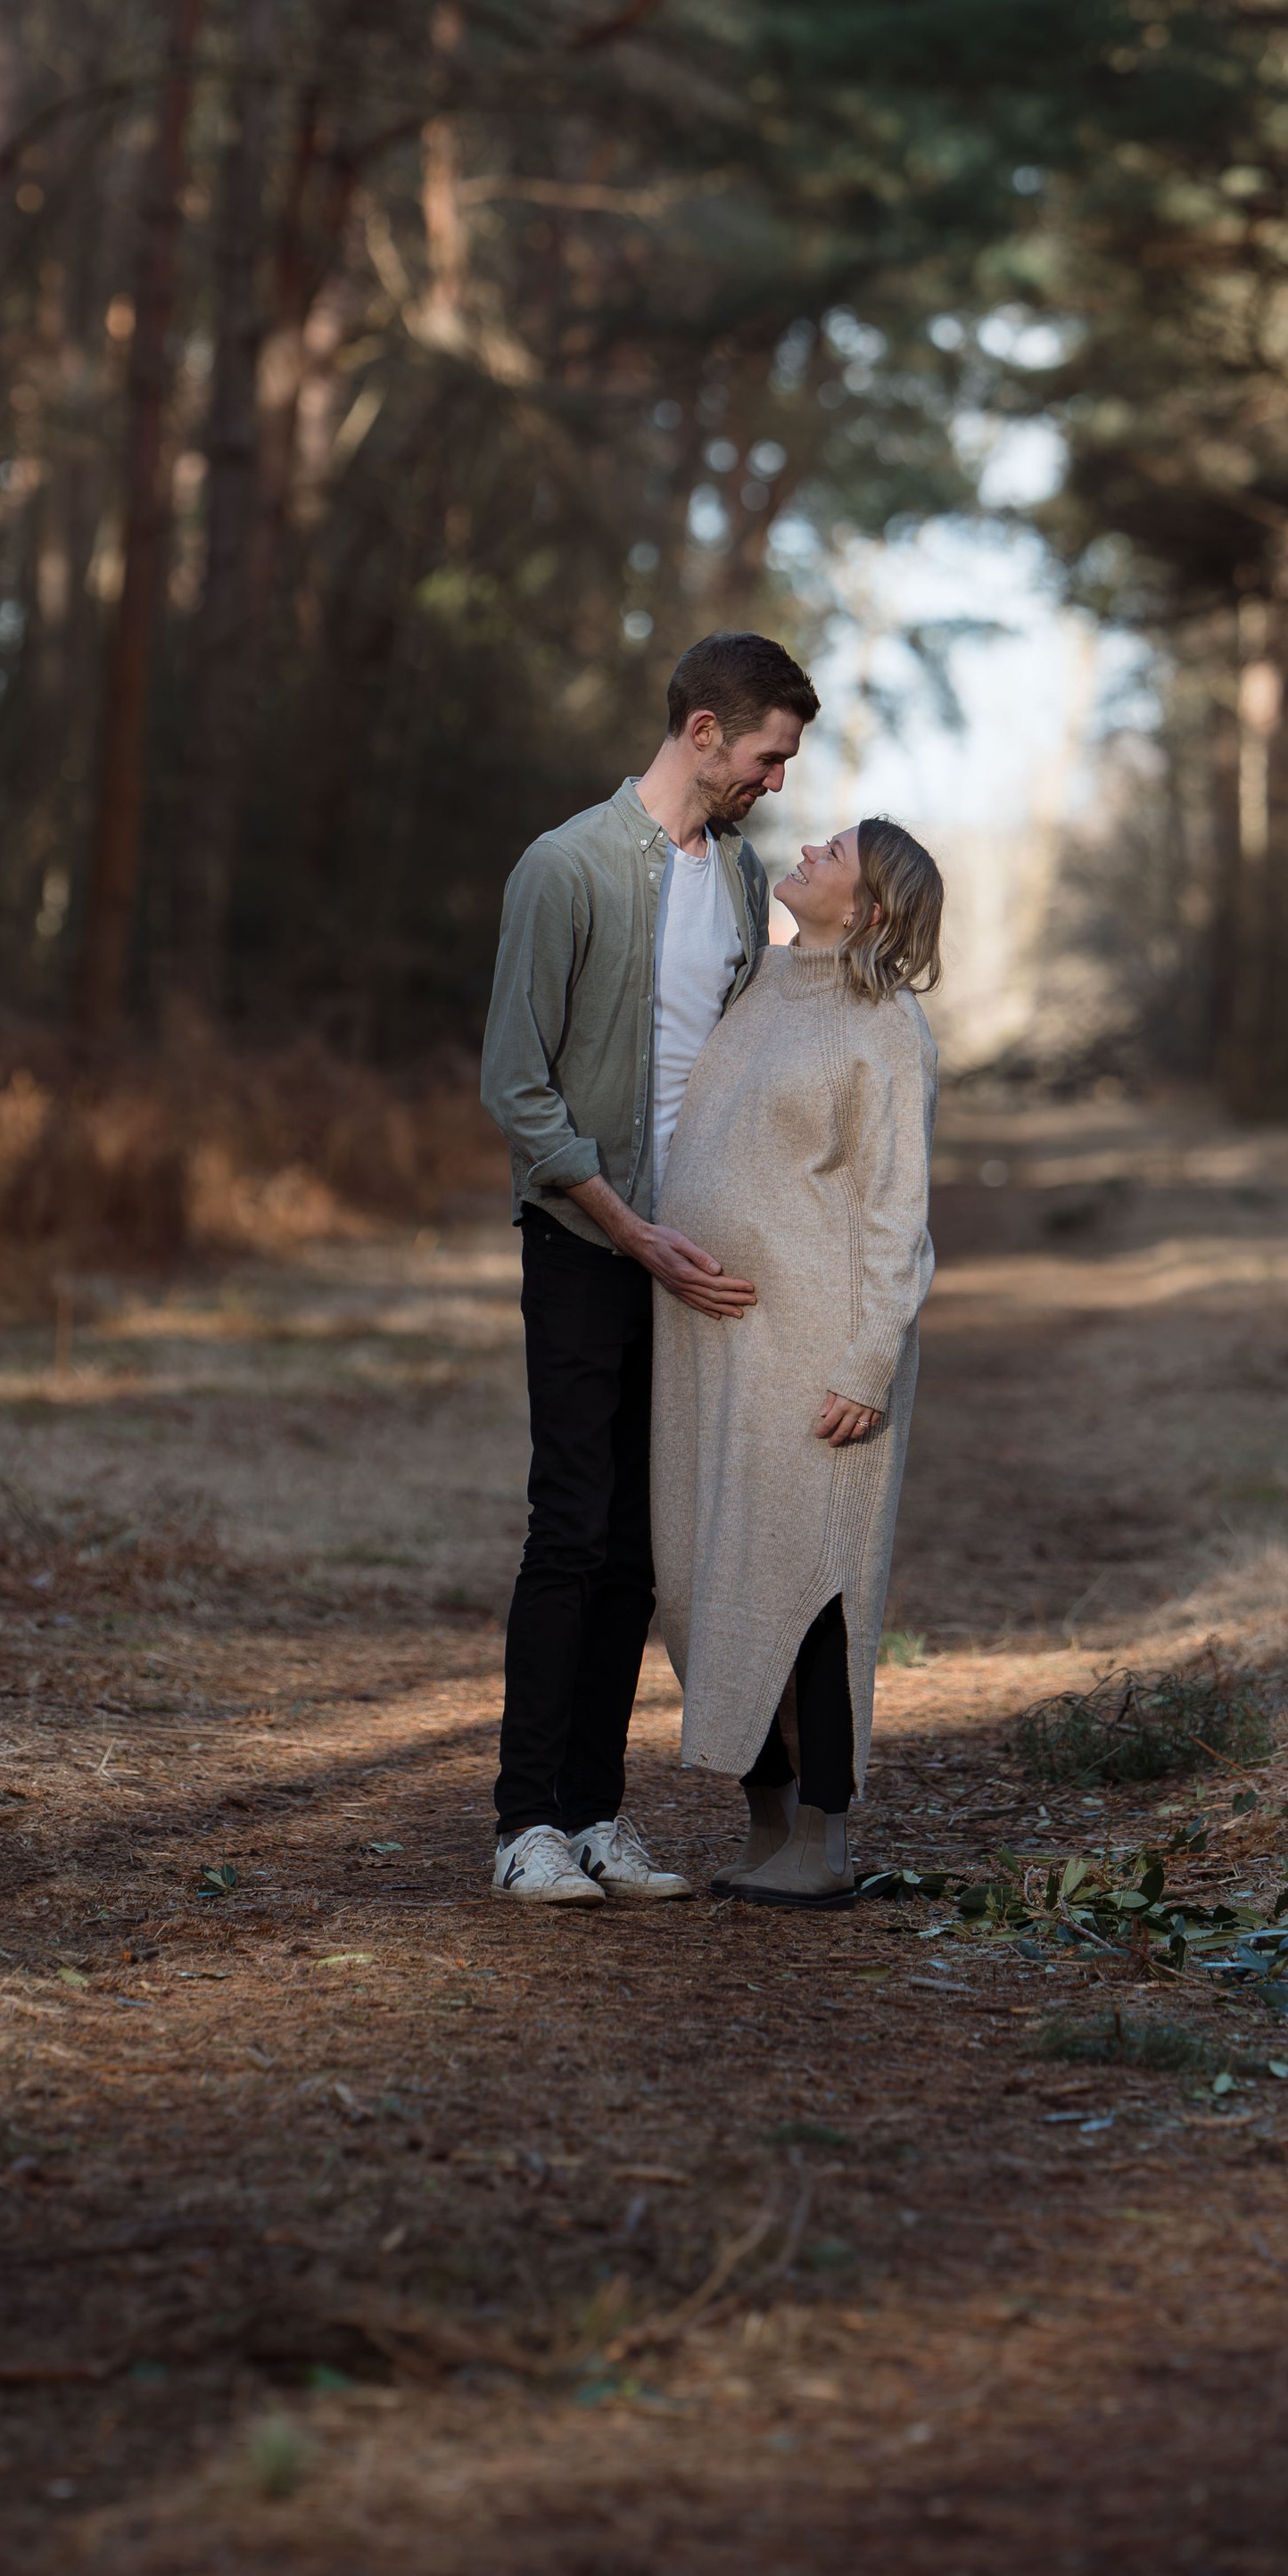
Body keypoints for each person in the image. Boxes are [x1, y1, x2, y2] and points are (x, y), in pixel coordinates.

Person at [478, 629, 821, 1904]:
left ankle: (597, 1815)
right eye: (769, 754)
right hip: (588, 1242)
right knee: (569, 1526)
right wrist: (632, 1228)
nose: (776, 781)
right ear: (702, 733)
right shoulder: (565, 867)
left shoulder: (739, 879)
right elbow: (516, 1084)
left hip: (696, 1255)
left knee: (641, 1542)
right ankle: (526, 1827)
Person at [650, 817, 943, 1909]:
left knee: (812, 1583)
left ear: (866, 911)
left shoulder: (886, 1027)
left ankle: (822, 1832)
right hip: (711, 1344)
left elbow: (894, 1214)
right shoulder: (762, 984)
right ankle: (762, 1817)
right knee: (702, 1579)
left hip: (819, 1347)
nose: (810, 850)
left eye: (836, 856)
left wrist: (866, 1364)